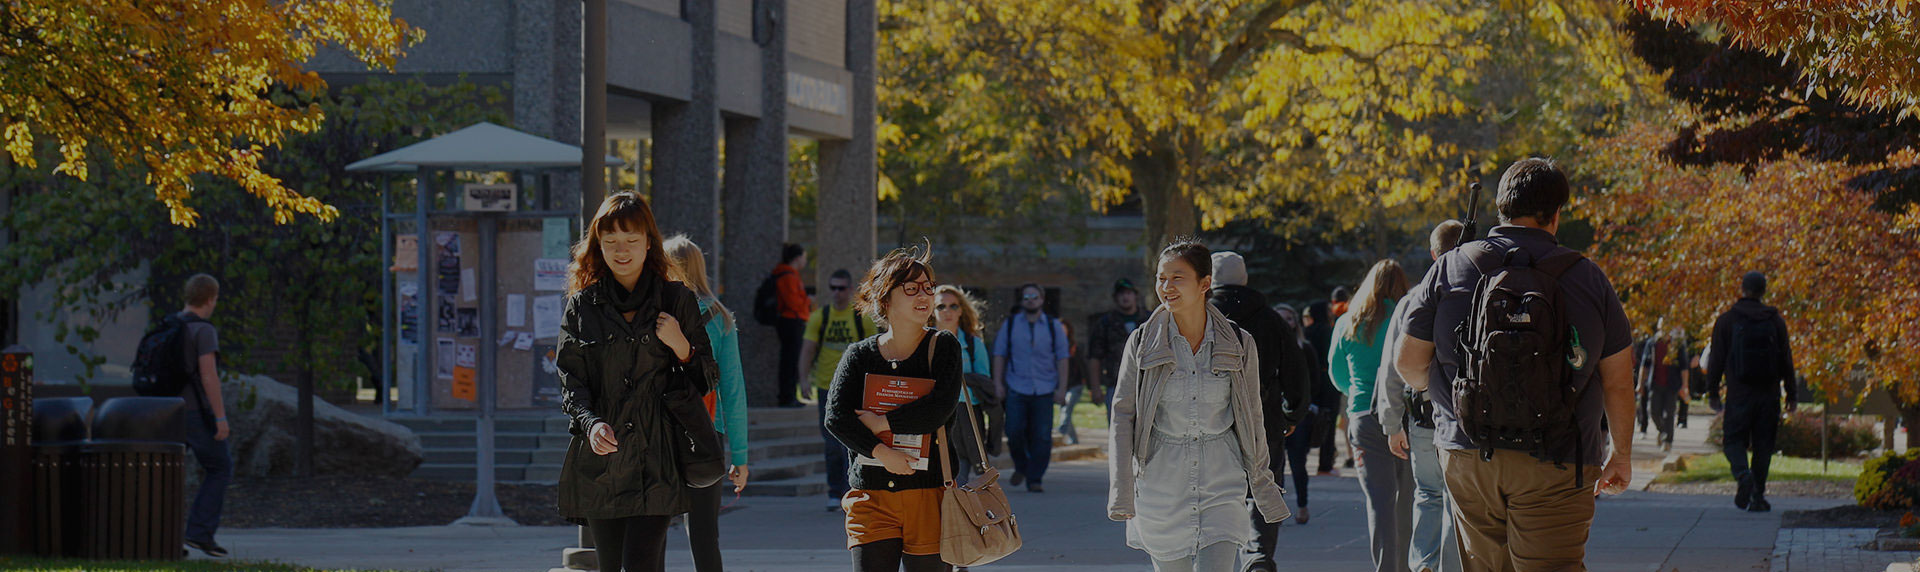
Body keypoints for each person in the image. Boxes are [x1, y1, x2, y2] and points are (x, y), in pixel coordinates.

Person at [1394, 157, 1636, 571]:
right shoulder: (1588, 278)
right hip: (1559, 458)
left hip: (1468, 451)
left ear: (1501, 208)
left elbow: (1409, 363)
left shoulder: (1451, 266)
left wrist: (1444, 397)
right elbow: (1617, 381)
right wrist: (1622, 454)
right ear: (1556, 214)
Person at [557, 192, 719, 572]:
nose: (621, 250)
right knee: (611, 565)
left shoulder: (675, 299)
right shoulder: (582, 306)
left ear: (649, 242)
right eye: (611, 241)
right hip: (603, 459)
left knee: (641, 563)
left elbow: (706, 378)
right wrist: (590, 423)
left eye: (631, 240)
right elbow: (570, 380)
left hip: (657, 458)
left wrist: (681, 345)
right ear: (598, 245)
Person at [1108, 240, 1288, 572]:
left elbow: (1252, 416)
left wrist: (1261, 478)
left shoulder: (1238, 342)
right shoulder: (1142, 343)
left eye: (1177, 278)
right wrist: (1122, 489)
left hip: (1222, 480)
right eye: (1161, 278)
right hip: (1161, 484)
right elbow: (1123, 416)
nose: (1166, 287)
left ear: (1205, 284)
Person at [823, 247, 963, 572]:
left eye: (928, 287)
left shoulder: (943, 346)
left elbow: (939, 409)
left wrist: (882, 421)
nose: (924, 295)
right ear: (885, 299)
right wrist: (882, 452)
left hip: (928, 495)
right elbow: (836, 417)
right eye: (911, 288)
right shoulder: (859, 355)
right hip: (871, 497)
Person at [1205, 251, 1311, 572]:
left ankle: (1213, 556)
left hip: (1212, 416)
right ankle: (1258, 556)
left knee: (1215, 491)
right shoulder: (1271, 319)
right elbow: (1296, 371)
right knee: (1262, 487)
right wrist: (1291, 414)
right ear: (1246, 278)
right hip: (1263, 417)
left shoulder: (1201, 316)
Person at [1377, 220, 1466, 572]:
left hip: (1422, 416)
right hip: (1462, 418)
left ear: (1433, 253)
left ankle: (1424, 562)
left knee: (1428, 494)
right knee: (1456, 499)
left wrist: (1391, 424)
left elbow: (1391, 366)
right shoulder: (1476, 295)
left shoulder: (1413, 300)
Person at [663, 236, 751, 572]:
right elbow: (733, 390)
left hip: (659, 428)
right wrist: (740, 456)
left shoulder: (655, 312)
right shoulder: (721, 318)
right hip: (706, 431)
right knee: (703, 533)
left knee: (648, 528)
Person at [1331, 259, 1414, 572]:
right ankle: (1408, 565)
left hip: (1364, 415)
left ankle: (1385, 566)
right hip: (1405, 414)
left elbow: (1337, 373)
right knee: (1408, 499)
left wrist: (1356, 392)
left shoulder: (1349, 322)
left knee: (1380, 502)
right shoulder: (1409, 317)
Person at [1705, 271, 1798, 513]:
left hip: (1739, 394)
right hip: (1768, 394)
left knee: (1732, 440)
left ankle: (1742, 474)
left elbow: (1716, 360)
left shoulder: (1727, 321)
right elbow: (1786, 360)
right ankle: (1757, 496)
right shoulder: (1775, 321)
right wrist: (1792, 394)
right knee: (1763, 445)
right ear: (1763, 291)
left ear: (1743, 289)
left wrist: (1712, 392)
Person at [801, 269, 880, 510]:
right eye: (833, 288)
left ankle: (852, 489)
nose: (837, 293)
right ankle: (834, 491)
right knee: (831, 442)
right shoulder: (820, 317)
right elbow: (808, 349)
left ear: (850, 290)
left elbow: (875, 353)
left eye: (842, 288)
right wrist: (803, 379)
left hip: (857, 388)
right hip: (827, 387)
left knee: (853, 440)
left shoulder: (862, 318)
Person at [991, 283, 1071, 493]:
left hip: (1045, 388)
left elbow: (1063, 358)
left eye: (1034, 297)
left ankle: (1035, 478)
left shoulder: (1053, 326)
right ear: (1021, 301)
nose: (1030, 301)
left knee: (1042, 436)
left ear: (1042, 300)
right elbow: (999, 354)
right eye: (1026, 297)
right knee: (1014, 431)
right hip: (1016, 386)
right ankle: (1022, 466)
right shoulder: (1010, 325)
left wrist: (1062, 389)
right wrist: (998, 383)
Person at [176, 274, 231, 558]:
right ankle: (199, 532)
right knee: (220, 467)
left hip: (166, 411)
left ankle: (164, 537)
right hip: (195, 412)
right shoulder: (203, 330)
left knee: (168, 473)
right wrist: (220, 417)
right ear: (210, 298)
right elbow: (208, 376)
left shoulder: (170, 324)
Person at [1276, 302, 1338, 525]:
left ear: (1296, 322)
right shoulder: (1265, 346)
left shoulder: (1305, 348)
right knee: (1275, 465)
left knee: (1297, 463)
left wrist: (1306, 404)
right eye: (1280, 318)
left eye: (1289, 318)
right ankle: (1277, 510)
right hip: (1273, 414)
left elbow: (1315, 381)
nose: (1285, 322)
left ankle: (1302, 505)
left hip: (1299, 413)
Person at [933, 285, 995, 483]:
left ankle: (960, 503)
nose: (947, 311)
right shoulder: (922, 342)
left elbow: (984, 381)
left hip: (966, 413)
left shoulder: (973, 343)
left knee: (960, 474)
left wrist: (959, 378)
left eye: (953, 306)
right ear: (932, 311)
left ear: (961, 310)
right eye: (941, 306)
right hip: (933, 413)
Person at [1090, 278, 1150, 420]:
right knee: (1118, 426)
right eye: (1121, 294)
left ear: (1135, 295)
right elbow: (1094, 357)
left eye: (1128, 293)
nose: (1125, 297)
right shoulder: (1105, 323)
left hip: (1147, 384)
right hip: (1116, 384)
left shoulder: (1150, 320)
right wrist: (1095, 388)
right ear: (1115, 298)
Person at [1303, 301, 1344, 475]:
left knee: (1307, 418)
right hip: (1328, 381)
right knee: (1329, 421)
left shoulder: (1306, 332)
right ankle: (1325, 464)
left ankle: (1301, 460)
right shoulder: (1330, 331)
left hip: (1310, 380)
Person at [1640, 325, 1693, 453]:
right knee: (1653, 412)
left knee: (1669, 413)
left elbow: (1684, 368)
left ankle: (1668, 441)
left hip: (1672, 385)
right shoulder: (1652, 344)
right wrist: (1640, 384)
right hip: (1655, 384)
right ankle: (1663, 431)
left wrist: (1685, 386)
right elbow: (1644, 365)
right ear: (1659, 329)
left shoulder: (1677, 345)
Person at [774, 244, 813, 407]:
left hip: (791, 321)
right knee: (791, 361)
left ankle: (789, 396)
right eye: (804, 257)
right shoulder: (788, 276)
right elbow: (793, 303)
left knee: (790, 360)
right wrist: (807, 301)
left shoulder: (788, 274)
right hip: (791, 321)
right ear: (797, 258)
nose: (805, 261)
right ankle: (787, 397)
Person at [1056, 318, 1092, 445]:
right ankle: (1074, 440)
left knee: (1066, 409)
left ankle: (1060, 434)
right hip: (1062, 386)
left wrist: (1091, 387)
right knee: (1065, 411)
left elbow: (1084, 366)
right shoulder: (1052, 347)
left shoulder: (1074, 348)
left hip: (1075, 385)